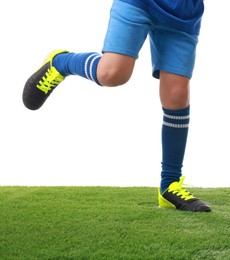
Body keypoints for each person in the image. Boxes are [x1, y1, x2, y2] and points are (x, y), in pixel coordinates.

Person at [22, 0, 211, 212]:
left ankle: (169, 185)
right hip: (140, 3)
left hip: (184, 11)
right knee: (112, 73)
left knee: (177, 94)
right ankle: (61, 63)